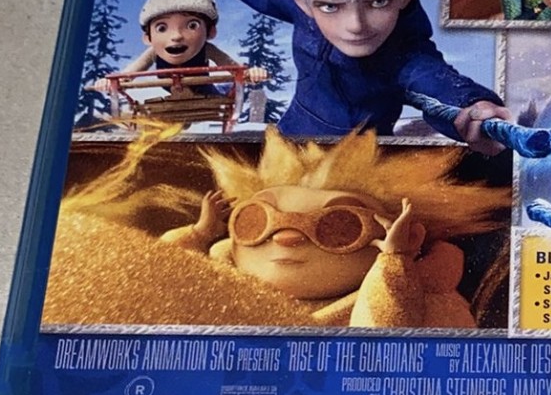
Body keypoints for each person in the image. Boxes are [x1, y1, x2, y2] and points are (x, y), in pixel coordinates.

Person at [138, 0, 509, 149]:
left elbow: (438, 84)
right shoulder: (303, 3)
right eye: (331, 6)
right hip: (289, 140)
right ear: (302, 0)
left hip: (358, 163)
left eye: (378, 2)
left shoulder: (405, 56)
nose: (355, 26)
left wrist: (474, 110)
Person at [159, 128, 509, 327]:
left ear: (410, 236)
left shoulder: (429, 301)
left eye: (340, 226)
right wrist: (199, 235)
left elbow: (386, 353)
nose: (286, 236)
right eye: (256, 220)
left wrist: (393, 264)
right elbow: (157, 277)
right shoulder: (220, 277)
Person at [96, 0, 266, 96]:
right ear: (148, 38)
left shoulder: (207, 49)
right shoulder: (153, 53)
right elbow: (129, 74)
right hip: (173, 92)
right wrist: (110, 83)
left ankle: (223, 88)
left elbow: (233, 67)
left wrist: (250, 74)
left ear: (210, 32)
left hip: (204, 89)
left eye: (192, 26)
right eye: (162, 28)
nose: (176, 36)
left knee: (220, 94)